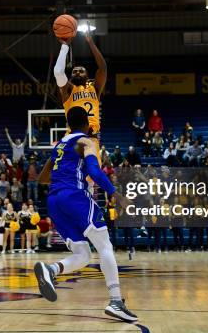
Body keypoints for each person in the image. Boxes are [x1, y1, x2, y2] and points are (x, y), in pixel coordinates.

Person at [34, 106, 138, 322]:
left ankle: (51, 270)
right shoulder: (86, 142)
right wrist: (116, 195)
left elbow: (42, 178)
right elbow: (94, 171)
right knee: (105, 245)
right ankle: (116, 302)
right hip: (74, 196)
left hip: (54, 201)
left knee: (83, 255)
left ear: (68, 125)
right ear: (88, 124)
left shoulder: (59, 145)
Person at [53, 29, 107, 169]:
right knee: (68, 177)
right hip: (72, 137)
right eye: (74, 71)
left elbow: (103, 68)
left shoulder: (94, 88)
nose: (77, 72)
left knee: (90, 180)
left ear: (87, 75)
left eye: (81, 70)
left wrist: (90, 43)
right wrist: (65, 46)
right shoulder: (68, 89)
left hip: (91, 137)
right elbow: (58, 72)